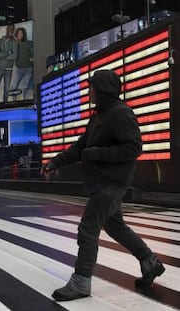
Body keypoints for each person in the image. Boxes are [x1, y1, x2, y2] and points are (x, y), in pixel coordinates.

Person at [41, 69, 165, 301]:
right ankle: (151, 263)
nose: (88, 91)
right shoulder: (98, 115)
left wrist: (96, 153)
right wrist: (54, 162)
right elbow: (79, 147)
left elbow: (133, 147)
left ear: (102, 89)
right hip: (101, 182)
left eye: (92, 87)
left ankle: (80, 282)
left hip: (112, 182)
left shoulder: (121, 114)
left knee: (88, 228)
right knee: (116, 227)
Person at [9, 27, 33, 101]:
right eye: (18, 33)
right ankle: (14, 103)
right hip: (18, 69)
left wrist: (33, 57)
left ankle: (25, 102)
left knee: (25, 88)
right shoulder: (14, 44)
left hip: (28, 69)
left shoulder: (29, 43)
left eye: (21, 33)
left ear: (23, 34)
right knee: (13, 88)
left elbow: (34, 50)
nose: (20, 35)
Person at [0, 24, 16, 103]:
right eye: (10, 29)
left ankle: (5, 104)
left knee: (6, 89)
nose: (11, 30)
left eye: (12, 29)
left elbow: (14, 56)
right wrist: (8, 52)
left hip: (8, 70)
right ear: (7, 29)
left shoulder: (14, 42)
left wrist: (2, 56)